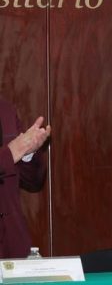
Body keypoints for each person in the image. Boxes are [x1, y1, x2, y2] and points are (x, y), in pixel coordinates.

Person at [0, 98, 51, 259]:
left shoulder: (6, 109)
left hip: (12, 245)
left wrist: (28, 153)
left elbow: (34, 182)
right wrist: (11, 154)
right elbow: (10, 155)